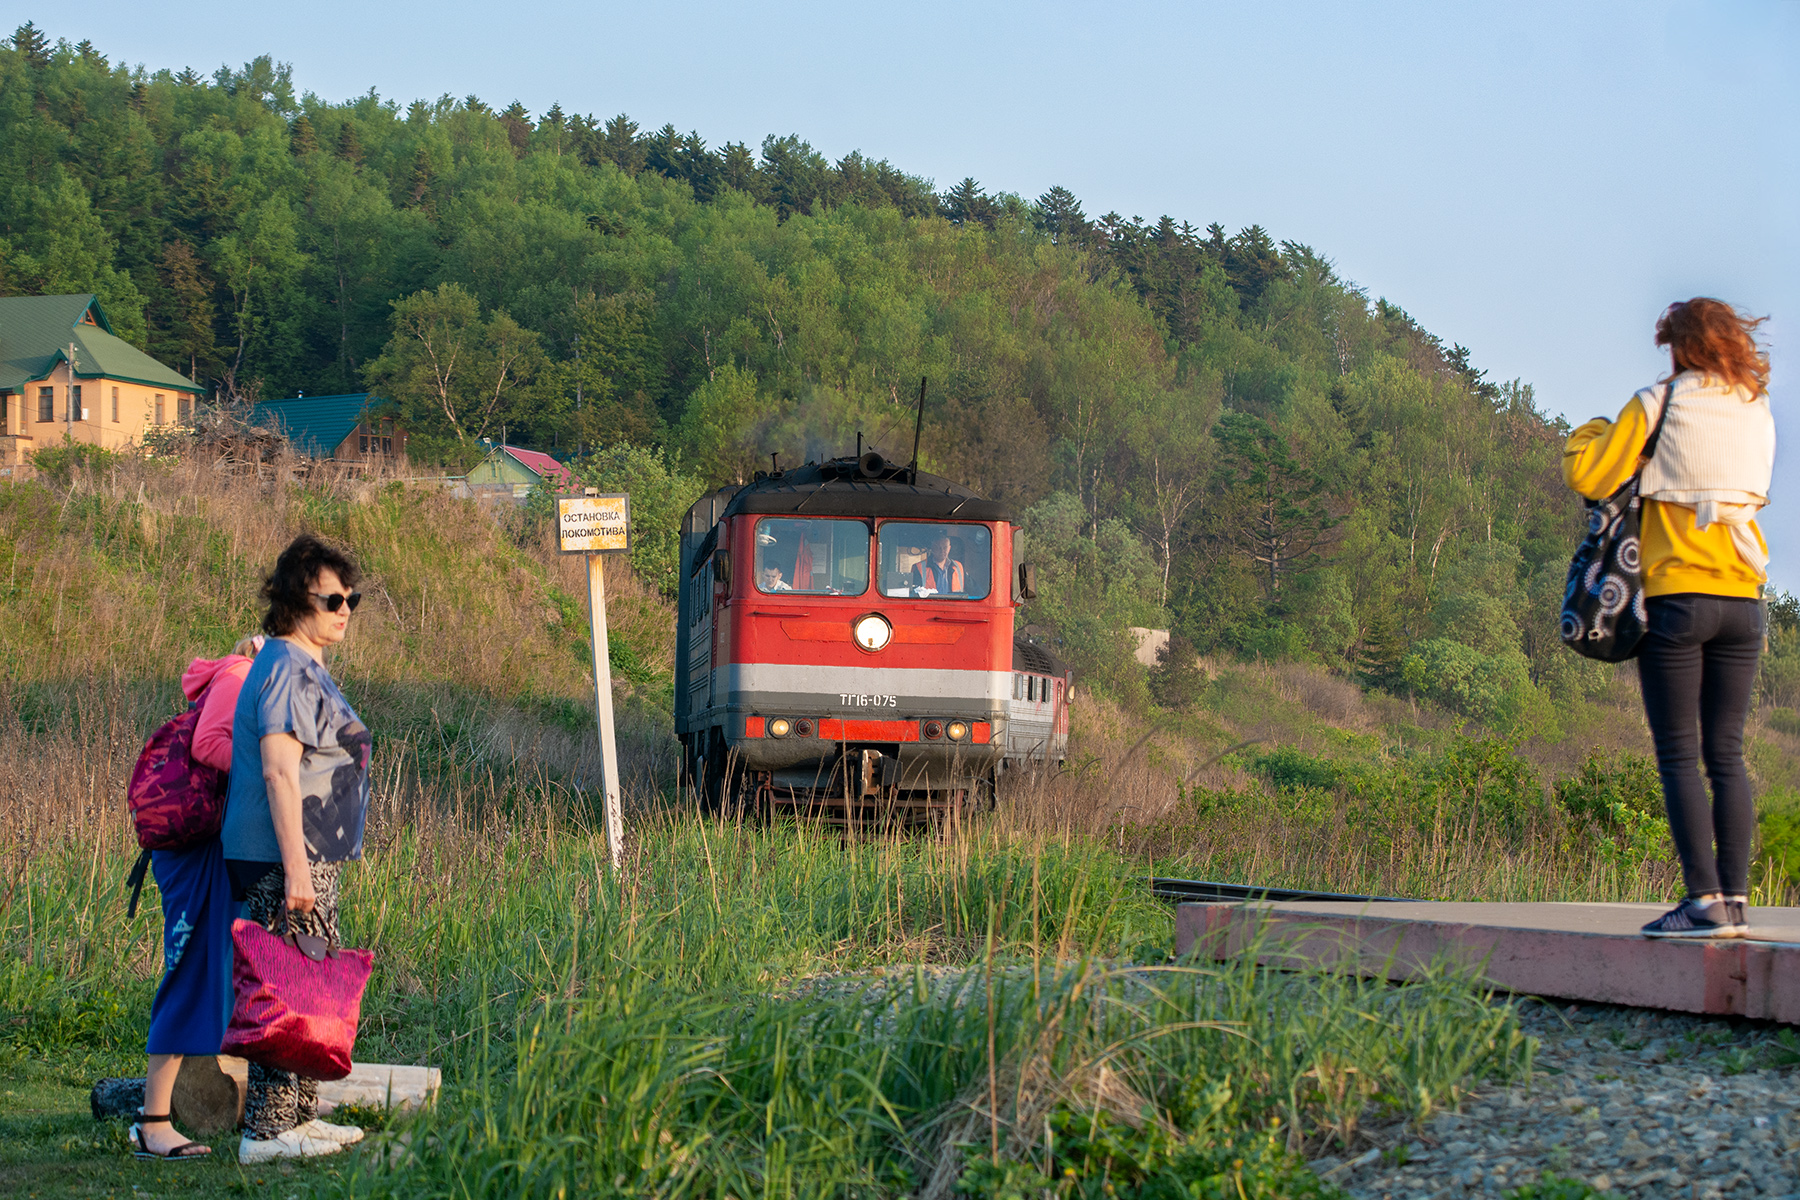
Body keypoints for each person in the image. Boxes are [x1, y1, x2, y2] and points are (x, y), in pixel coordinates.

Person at [1562, 297, 1776, 939]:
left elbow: (1591, 474)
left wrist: (1592, 430)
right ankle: (1735, 904)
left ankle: (1701, 902)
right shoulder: (1755, 408)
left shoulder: (1659, 401)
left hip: (1678, 599)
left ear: (1677, 345)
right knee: (1727, 754)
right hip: (1746, 600)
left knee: (1680, 755)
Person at [221, 534, 374, 1163]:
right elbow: (281, 773)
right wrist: (296, 873)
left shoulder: (292, 661)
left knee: (305, 983)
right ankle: (268, 1132)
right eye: (332, 598)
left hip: (306, 854)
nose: (345, 610)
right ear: (294, 601)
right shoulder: (287, 668)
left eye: (352, 599)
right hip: (286, 855)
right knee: (284, 986)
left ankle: (298, 1117)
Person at [130, 634, 262, 1161]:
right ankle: (152, 1122)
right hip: (190, 851)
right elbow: (210, 744)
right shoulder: (238, 676)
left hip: (205, 846)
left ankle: (188, 1107)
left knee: (214, 964)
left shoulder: (239, 679)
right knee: (184, 968)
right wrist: (269, 758)